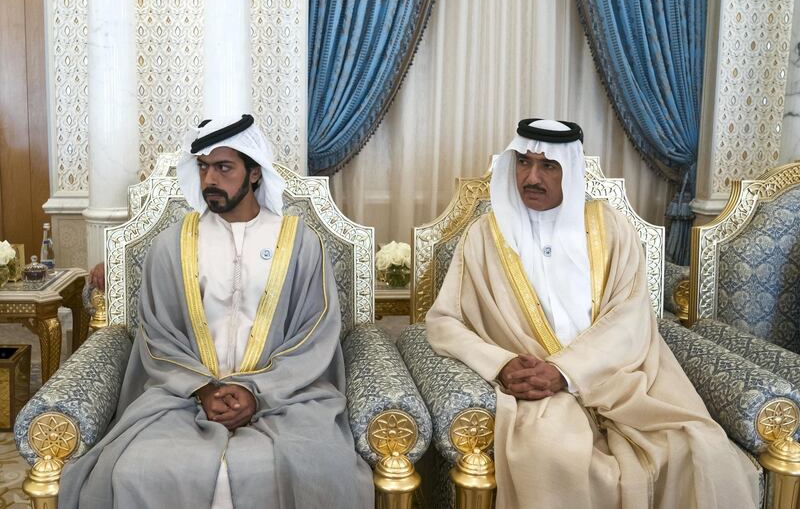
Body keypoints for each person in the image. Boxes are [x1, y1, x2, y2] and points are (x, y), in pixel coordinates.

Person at [426, 118, 759, 508]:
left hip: (623, 380)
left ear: (571, 169)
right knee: (551, 457)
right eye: (523, 163)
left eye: (548, 166)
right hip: (536, 394)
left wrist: (566, 370)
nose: (531, 177)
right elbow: (443, 322)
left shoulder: (611, 229)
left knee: (704, 450)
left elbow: (631, 317)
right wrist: (500, 364)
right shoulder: (484, 235)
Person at [60, 114, 374, 508]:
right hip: (183, 397)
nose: (210, 179)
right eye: (203, 167)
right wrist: (205, 390)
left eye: (224, 167)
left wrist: (253, 392)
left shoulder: (301, 244)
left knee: (322, 469)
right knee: (133, 469)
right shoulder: (170, 246)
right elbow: (158, 336)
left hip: (286, 396)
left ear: (254, 173)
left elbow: (315, 333)